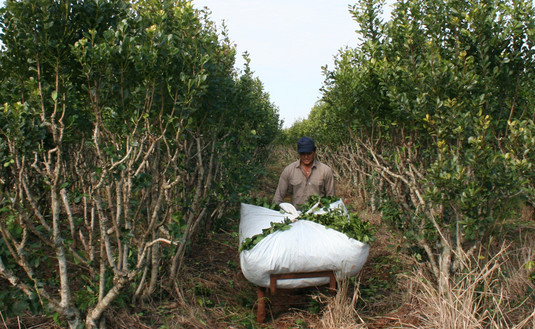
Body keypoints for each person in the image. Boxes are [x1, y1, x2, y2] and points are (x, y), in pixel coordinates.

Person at [273, 137, 336, 206]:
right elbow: (278, 196)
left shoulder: (325, 171)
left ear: (314, 151)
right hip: (296, 214)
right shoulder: (289, 170)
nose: (306, 157)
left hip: (318, 214)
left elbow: (331, 197)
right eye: (303, 153)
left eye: (309, 153)